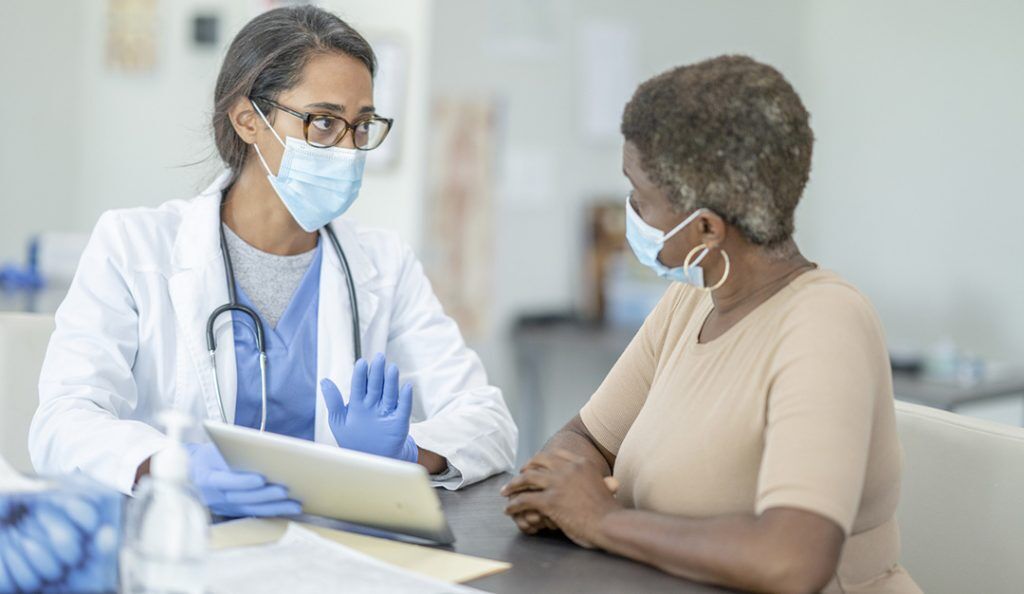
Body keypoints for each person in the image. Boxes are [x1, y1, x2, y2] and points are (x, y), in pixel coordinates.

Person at [29, 6, 516, 517]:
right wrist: (170, 464)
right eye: (324, 122)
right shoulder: (135, 247)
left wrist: (405, 455)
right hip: (178, 537)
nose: (348, 148)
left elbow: (489, 421)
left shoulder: (383, 265)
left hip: (328, 543)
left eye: (362, 125)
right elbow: (62, 421)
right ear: (247, 120)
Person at [502, 55, 921, 594]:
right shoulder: (689, 303)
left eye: (639, 198)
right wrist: (557, 492)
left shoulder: (825, 325)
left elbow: (793, 562)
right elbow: (586, 437)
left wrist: (600, 520)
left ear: (705, 228)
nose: (629, 211)